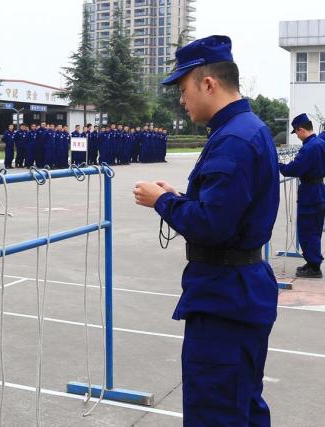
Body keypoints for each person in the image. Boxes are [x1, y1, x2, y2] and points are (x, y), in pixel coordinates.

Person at [133, 35, 279, 426]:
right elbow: (228, 209)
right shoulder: (246, 129)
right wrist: (180, 198)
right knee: (243, 405)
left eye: (184, 89)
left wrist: (162, 202)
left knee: (215, 412)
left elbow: (214, 225)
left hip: (224, 297)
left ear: (208, 83)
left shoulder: (232, 139)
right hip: (238, 290)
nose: (182, 99)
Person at [278, 113, 325, 278]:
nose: (297, 136)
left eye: (296, 132)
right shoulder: (320, 142)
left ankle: (314, 267)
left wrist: (279, 165)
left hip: (310, 194)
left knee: (307, 230)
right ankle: (312, 261)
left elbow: (295, 169)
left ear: (301, 129)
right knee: (315, 229)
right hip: (318, 190)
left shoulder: (310, 147)